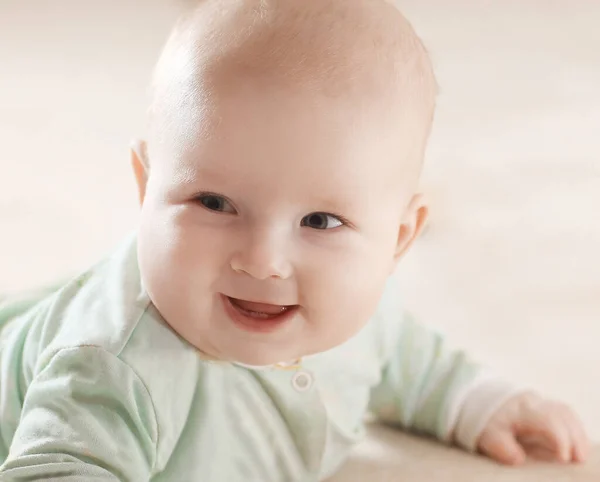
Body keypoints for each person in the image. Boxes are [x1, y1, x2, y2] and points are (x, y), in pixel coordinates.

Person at [0, 0, 588, 480]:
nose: (262, 261)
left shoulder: (362, 314)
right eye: (213, 203)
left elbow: (412, 364)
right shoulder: (109, 370)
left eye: (321, 222)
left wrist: (480, 403)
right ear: (146, 186)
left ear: (398, 239)